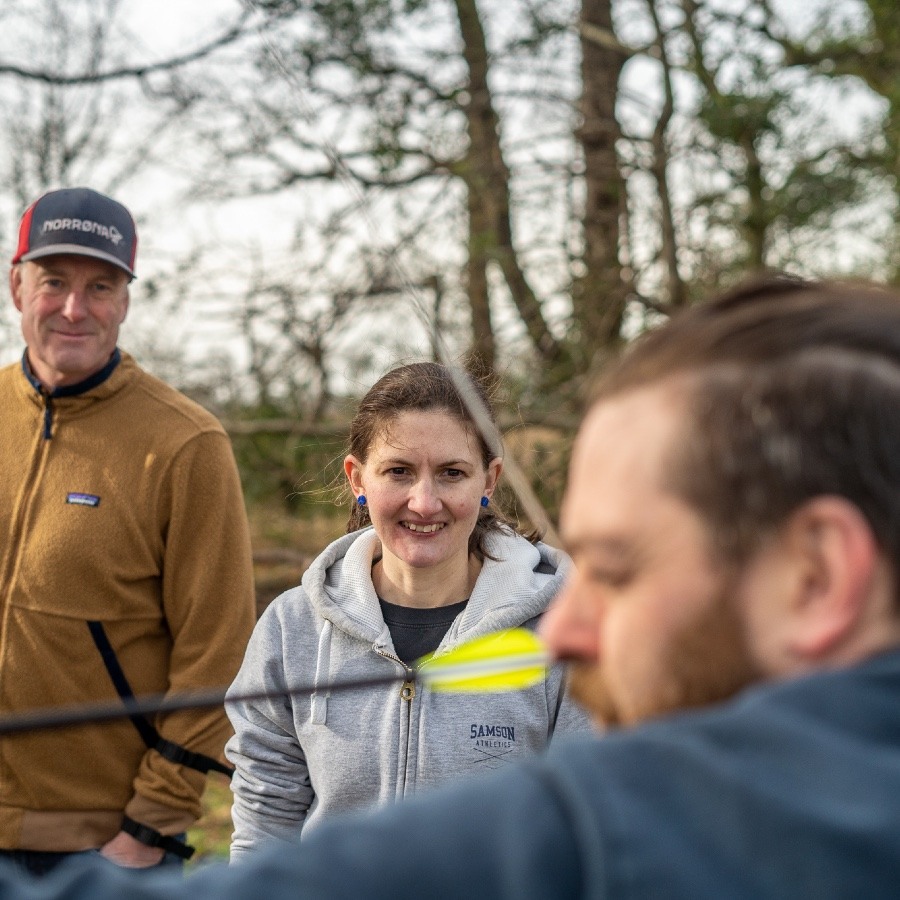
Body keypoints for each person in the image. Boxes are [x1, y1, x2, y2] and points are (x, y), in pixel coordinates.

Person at [2, 273, 900, 897]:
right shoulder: (775, 807)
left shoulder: (712, 830)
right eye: (399, 473)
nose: (569, 628)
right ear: (358, 477)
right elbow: (271, 816)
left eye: (619, 570)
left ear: (817, 576)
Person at [224, 361, 592, 858]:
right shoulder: (292, 631)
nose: (424, 502)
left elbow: (588, 827)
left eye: (452, 474)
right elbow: (264, 829)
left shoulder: (562, 630)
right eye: (399, 471)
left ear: (489, 479)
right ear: (357, 477)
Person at [0, 187, 256, 875]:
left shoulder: (186, 445)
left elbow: (217, 655)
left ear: (126, 300)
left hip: (101, 850)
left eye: (101, 286)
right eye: (54, 282)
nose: (74, 309)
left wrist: (149, 828)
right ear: (16, 283)